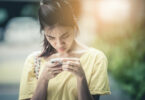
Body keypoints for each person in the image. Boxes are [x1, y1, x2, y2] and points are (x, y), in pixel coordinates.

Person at [19, 0, 111, 100]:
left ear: (74, 26)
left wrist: (81, 78)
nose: (59, 43)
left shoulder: (95, 59)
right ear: (44, 33)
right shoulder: (33, 62)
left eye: (65, 36)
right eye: (51, 37)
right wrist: (43, 79)